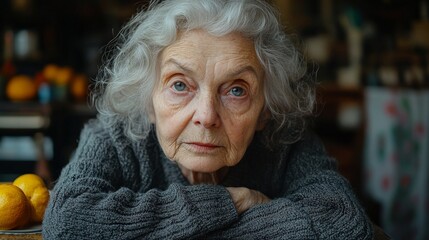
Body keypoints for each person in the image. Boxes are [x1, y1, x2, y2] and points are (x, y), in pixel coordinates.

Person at [43, 0, 375, 239]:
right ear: (147, 100)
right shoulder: (114, 138)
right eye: (179, 85)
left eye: (236, 90)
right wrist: (235, 202)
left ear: (266, 109)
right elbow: (68, 221)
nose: (206, 116)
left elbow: (343, 223)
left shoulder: (288, 144)